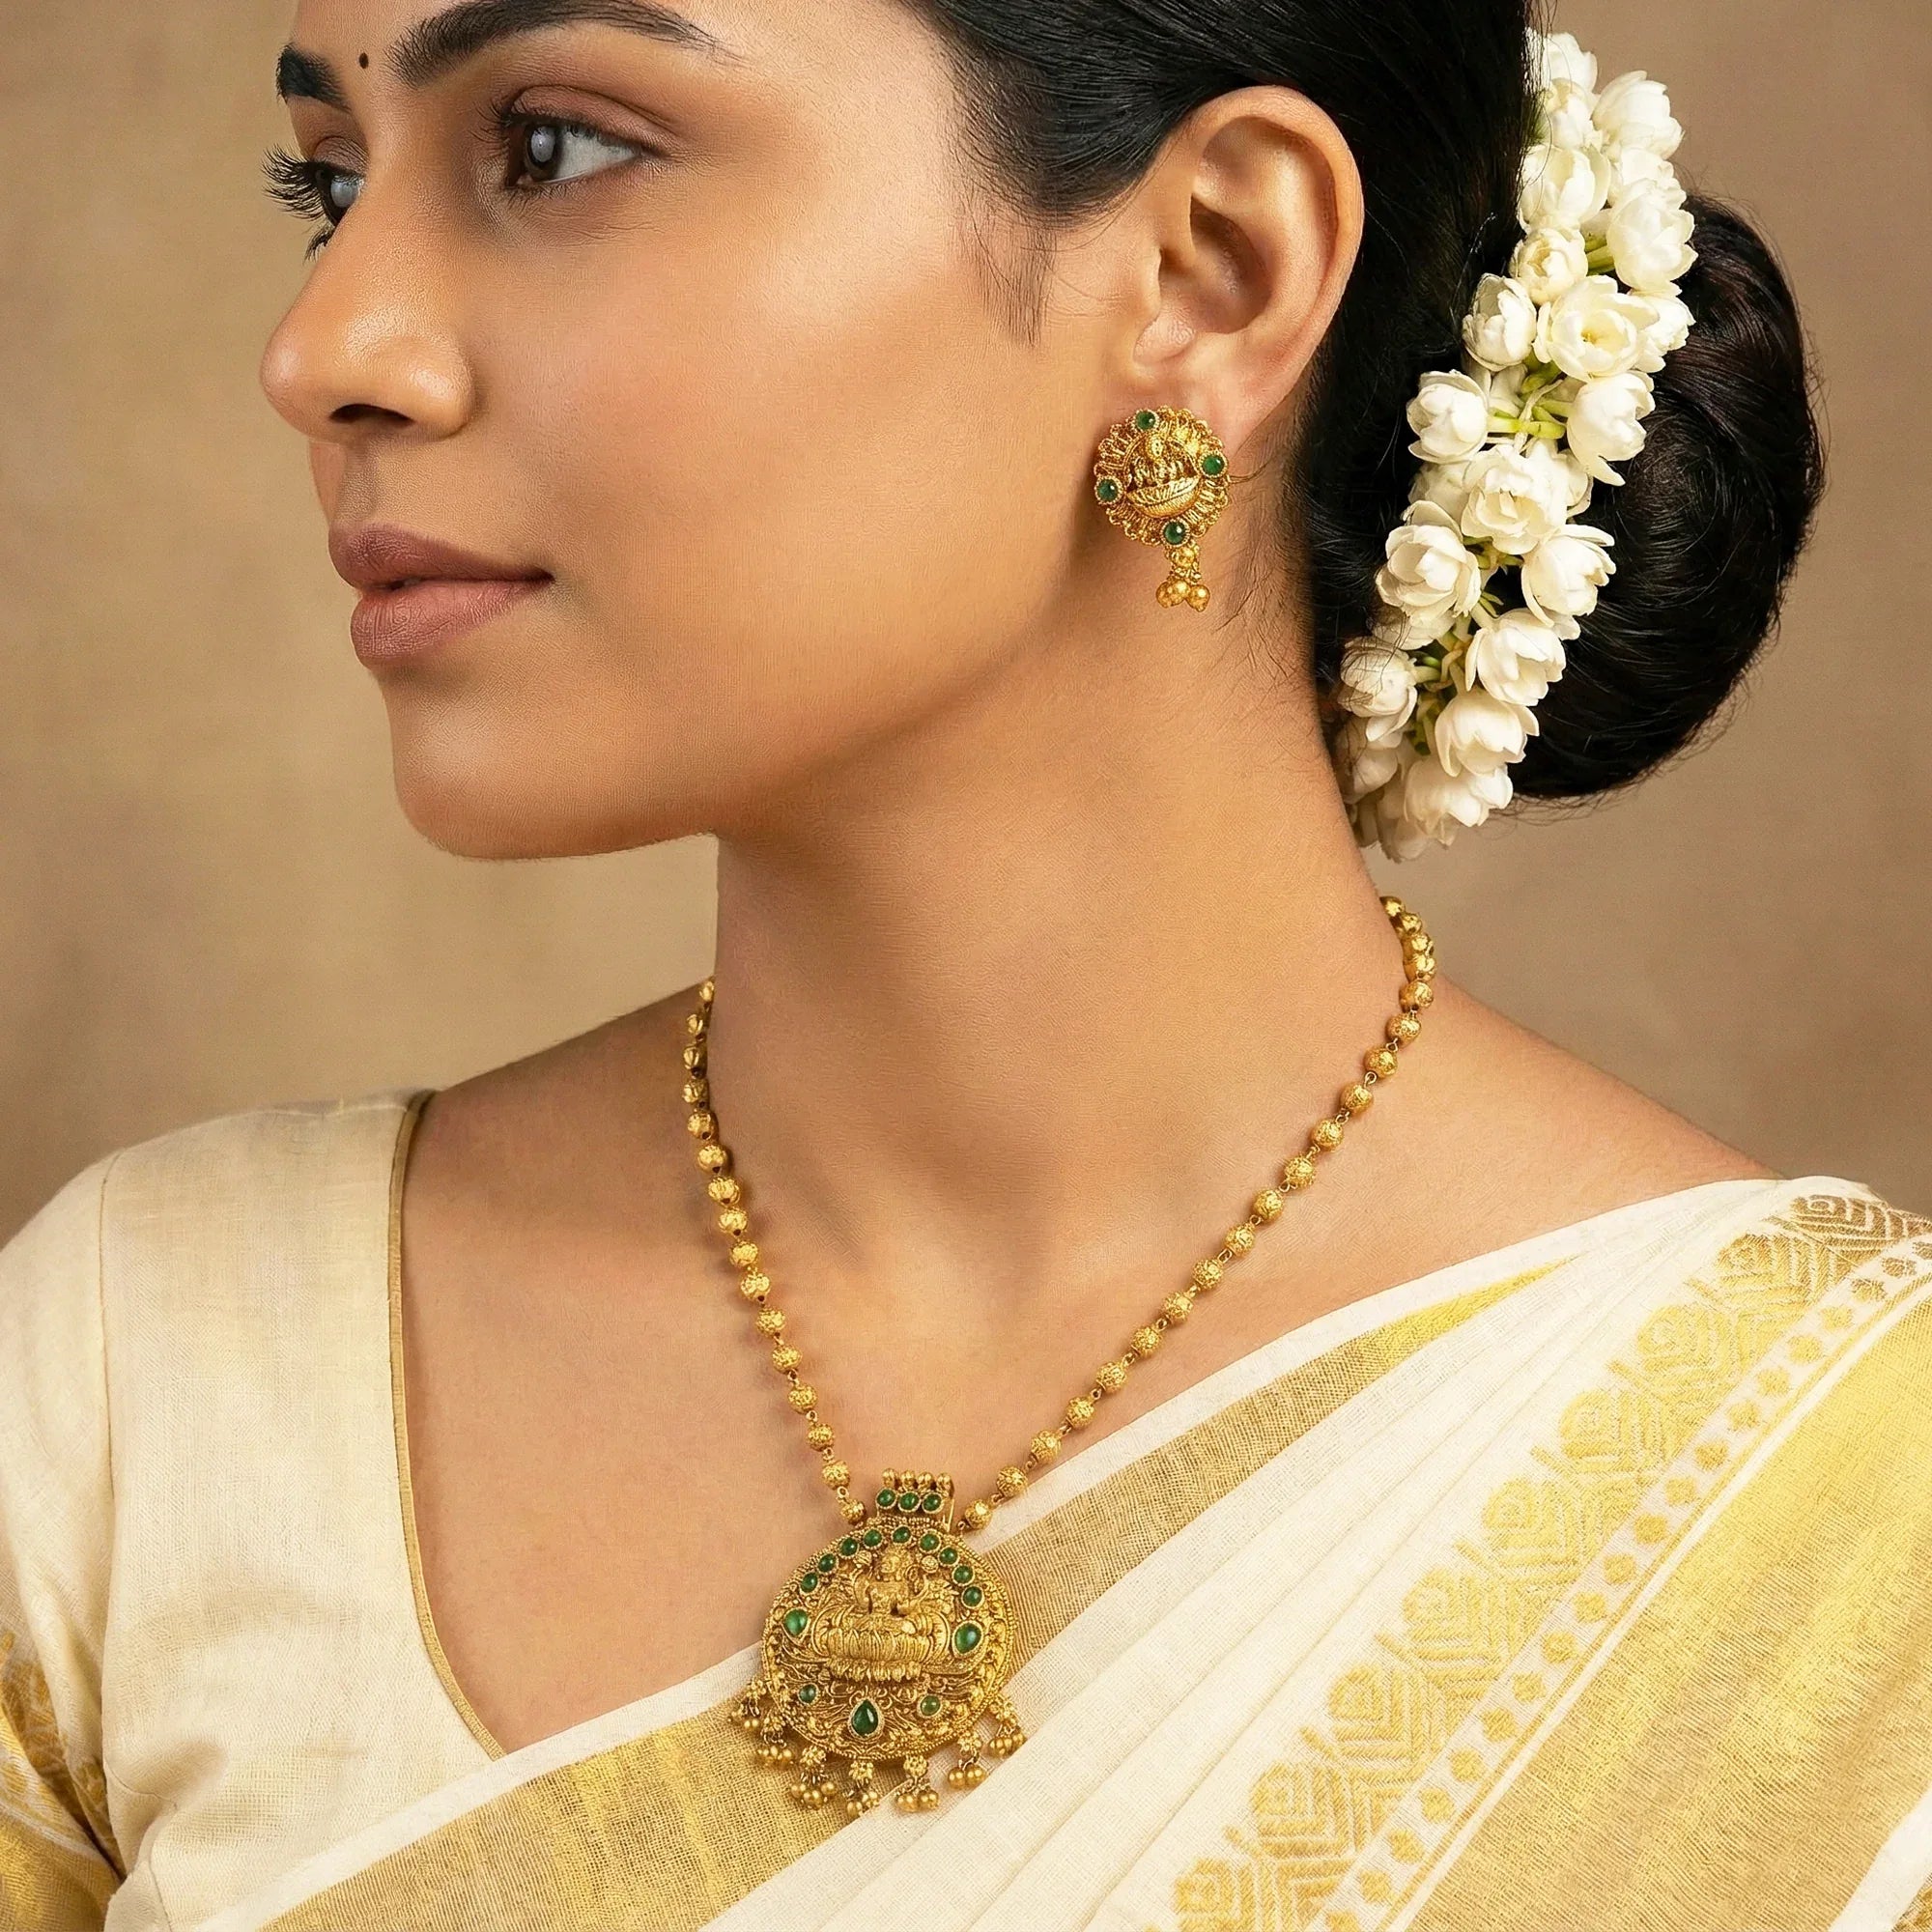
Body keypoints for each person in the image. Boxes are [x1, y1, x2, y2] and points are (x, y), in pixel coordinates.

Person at [2, 0, 1926, 1925]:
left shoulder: (1853, 1532)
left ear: (1210, 272)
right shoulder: (138, 1393)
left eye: (557, 150)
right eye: (324, 186)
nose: (323, 348)